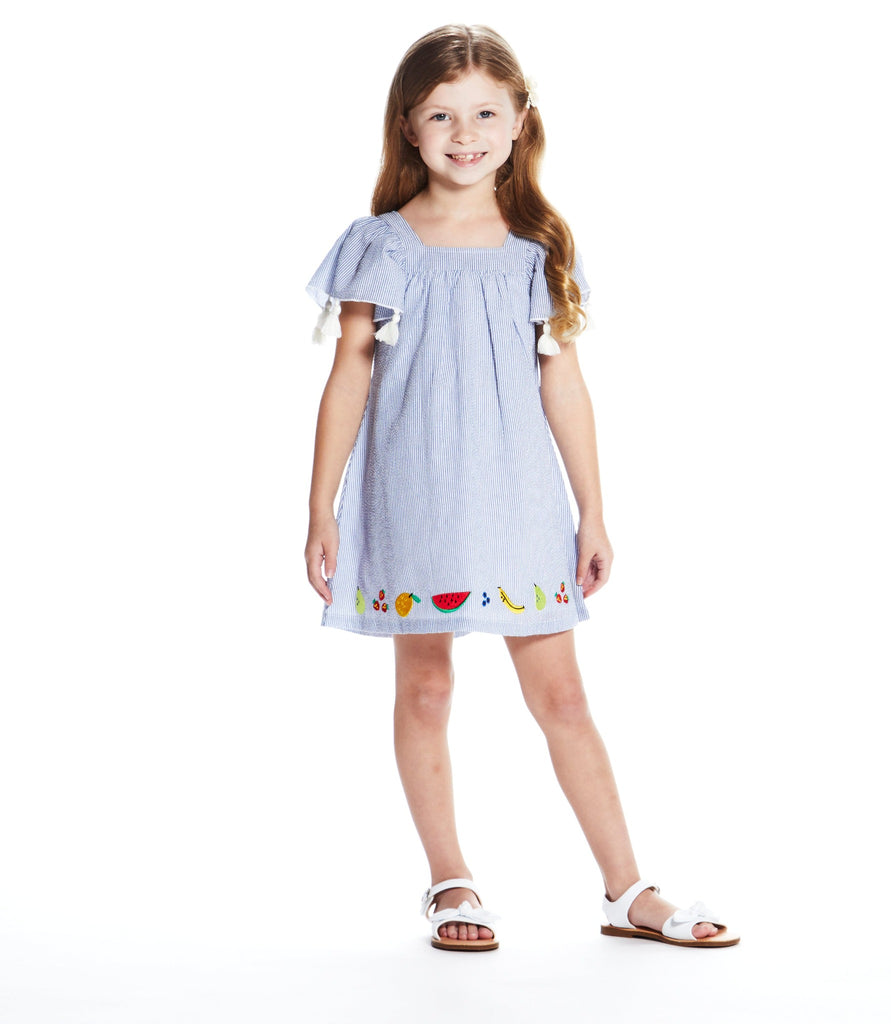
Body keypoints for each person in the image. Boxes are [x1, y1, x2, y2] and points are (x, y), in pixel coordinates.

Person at [303, 24, 738, 952]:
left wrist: (593, 511)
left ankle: (627, 890)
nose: (465, 134)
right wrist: (320, 508)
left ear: (520, 121)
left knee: (564, 698)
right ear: (408, 127)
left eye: (484, 114)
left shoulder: (539, 244)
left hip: (519, 501)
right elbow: (348, 374)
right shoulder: (380, 244)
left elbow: (563, 382)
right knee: (426, 689)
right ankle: (450, 879)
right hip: (414, 494)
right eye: (441, 116)